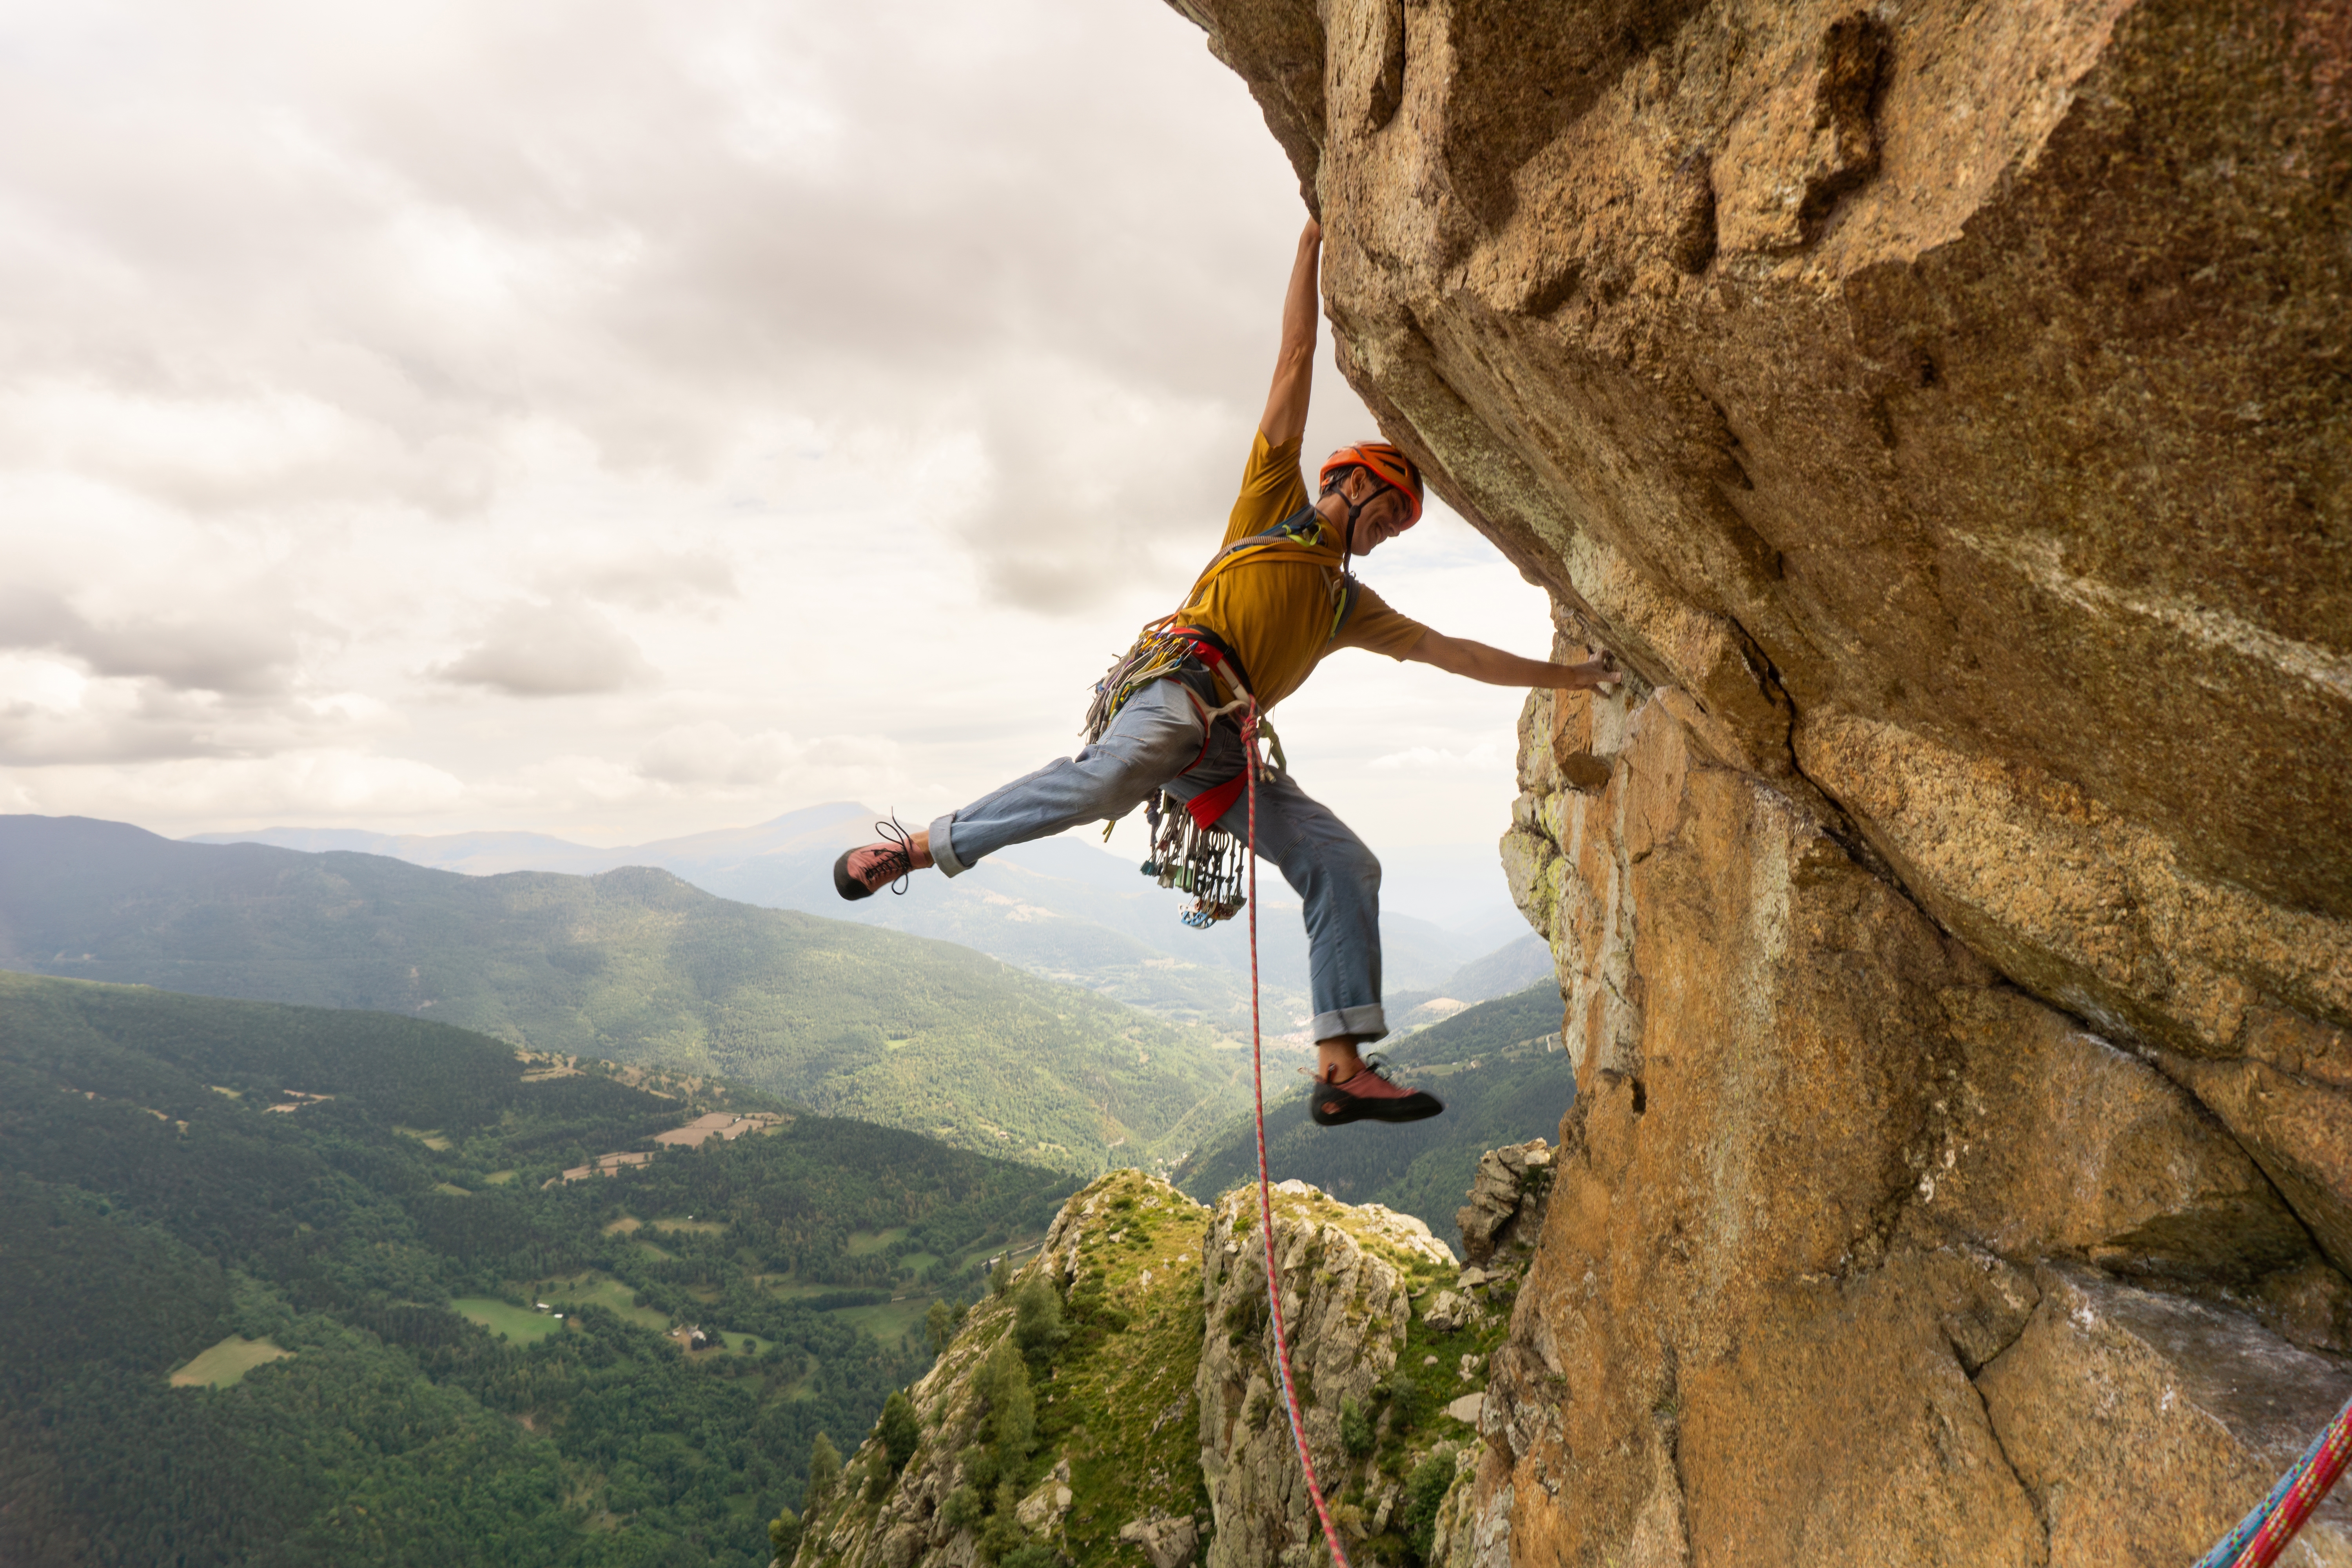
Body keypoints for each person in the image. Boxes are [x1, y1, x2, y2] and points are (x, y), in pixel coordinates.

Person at [833, 218, 1620, 1127]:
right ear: (1352, 485)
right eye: (1393, 512)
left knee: (1343, 860)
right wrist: (1310, 243)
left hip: (1221, 747)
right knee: (1132, 764)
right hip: (1177, 690)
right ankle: (927, 846)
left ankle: (1341, 1064)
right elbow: (1292, 360)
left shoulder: (1345, 605)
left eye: (1404, 526)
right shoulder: (1271, 507)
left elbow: (1457, 653)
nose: (1393, 532)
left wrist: (1576, 677)